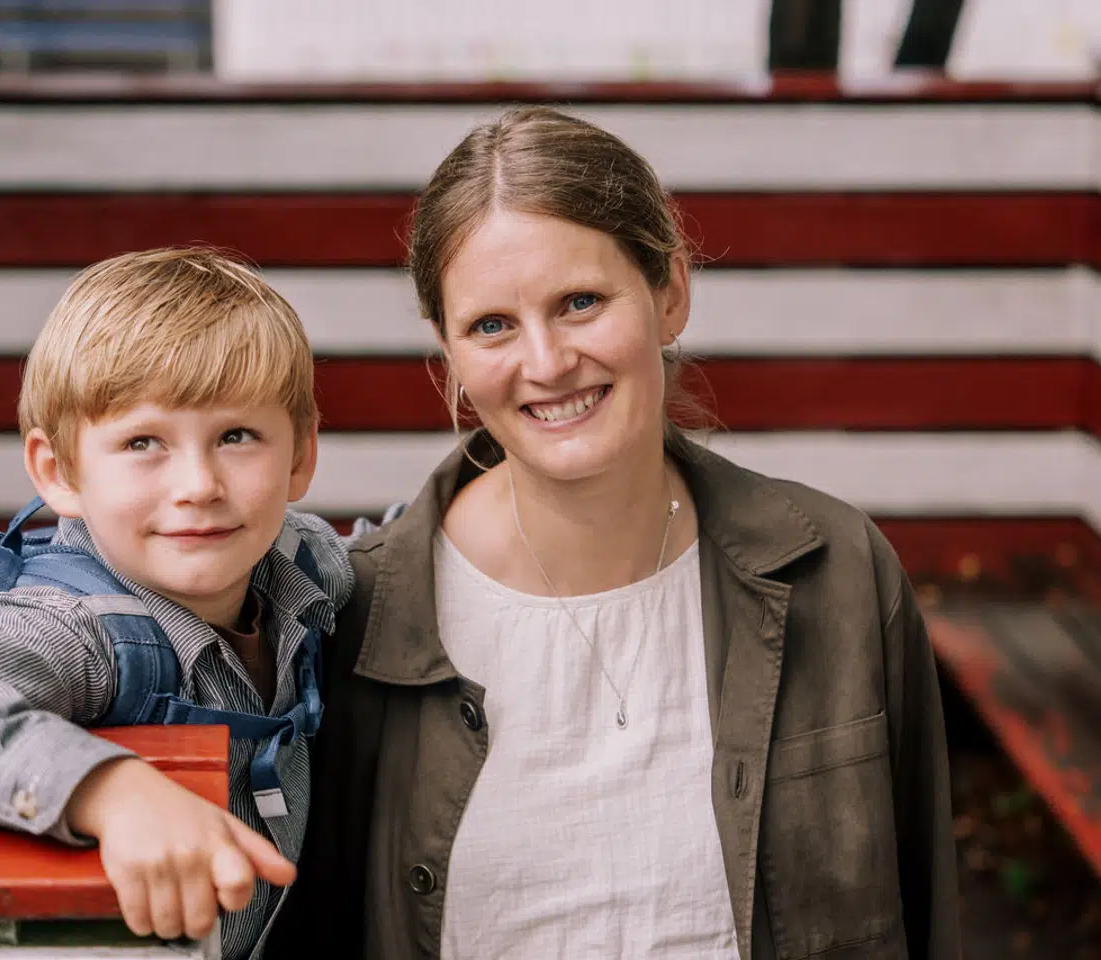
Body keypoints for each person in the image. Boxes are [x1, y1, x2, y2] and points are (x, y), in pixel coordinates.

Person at [269, 106, 961, 959]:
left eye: (581, 302)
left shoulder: (839, 572)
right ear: (447, 355)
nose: (547, 361)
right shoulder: (356, 616)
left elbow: (926, 916)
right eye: (492, 325)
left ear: (670, 292)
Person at [0, 248, 353, 960]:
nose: (198, 483)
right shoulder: (76, 628)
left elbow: (389, 550)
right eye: (142, 442)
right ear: (58, 472)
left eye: (236, 436)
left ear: (300, 456)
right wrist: (108, 788)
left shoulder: (298, 561)